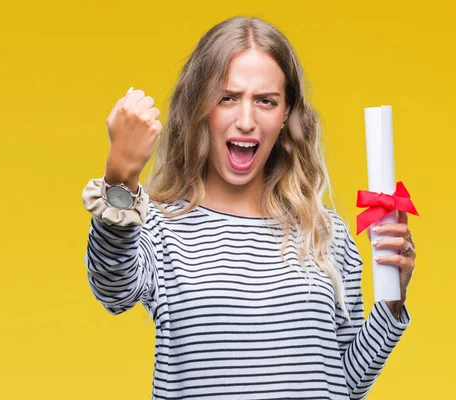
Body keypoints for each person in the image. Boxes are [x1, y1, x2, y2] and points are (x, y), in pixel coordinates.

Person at [82, 16, 415, 400]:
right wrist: (120, 178)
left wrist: (393, 301)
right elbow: (112, 289)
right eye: (227, 97)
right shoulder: (159, 226)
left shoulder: (325, 232)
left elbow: (344, 384)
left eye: (266, 101)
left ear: (286, 113)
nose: (246, 121)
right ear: (200, 109)